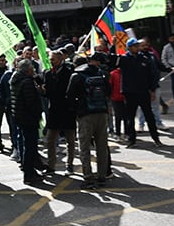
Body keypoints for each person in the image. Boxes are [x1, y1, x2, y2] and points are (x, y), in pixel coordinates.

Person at [68, 57, 113, 186]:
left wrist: (76, 111)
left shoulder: (76, 75)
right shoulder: (101, 73)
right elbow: (108, 92)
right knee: (102, 146)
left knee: (84, 147)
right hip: (102, 113)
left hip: (85, 114)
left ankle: (88, 177)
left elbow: (70, 96)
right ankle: (102, 176)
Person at [118, 39, 163, 148]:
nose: (136, 48)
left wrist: (152, 89)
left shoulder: (144, 59)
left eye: (137, 46)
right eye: (134, 46)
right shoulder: (124, 59)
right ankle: (131, 139)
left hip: (143, 92)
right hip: (130, 93)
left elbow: (151, 75)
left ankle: (155, 138)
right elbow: (111, 61)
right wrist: (114, 45)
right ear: (129, 47)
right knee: (130, 117)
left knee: (149, 115)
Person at [11, 58, 46, 185]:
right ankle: (29, 173)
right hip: (28, 118)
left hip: (20, 116)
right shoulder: (26, 82)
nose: (34, 71)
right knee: (30, 146)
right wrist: (37, 114)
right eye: (32, 69)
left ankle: (30, 170)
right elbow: (31, 102)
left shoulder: (16, 79)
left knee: (28, 145)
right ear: (27, 70)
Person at [42, 52, 77, 174]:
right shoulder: (47, 73)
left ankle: (70, 164)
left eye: (54, 60)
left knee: (70, 140)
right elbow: (47, 93)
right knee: (50, 139)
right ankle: (51, 165)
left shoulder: (69, 72)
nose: (52, 62)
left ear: (61, 59)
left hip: (67, 110)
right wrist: (42, 90)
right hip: (54, 111)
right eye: (50, 59)